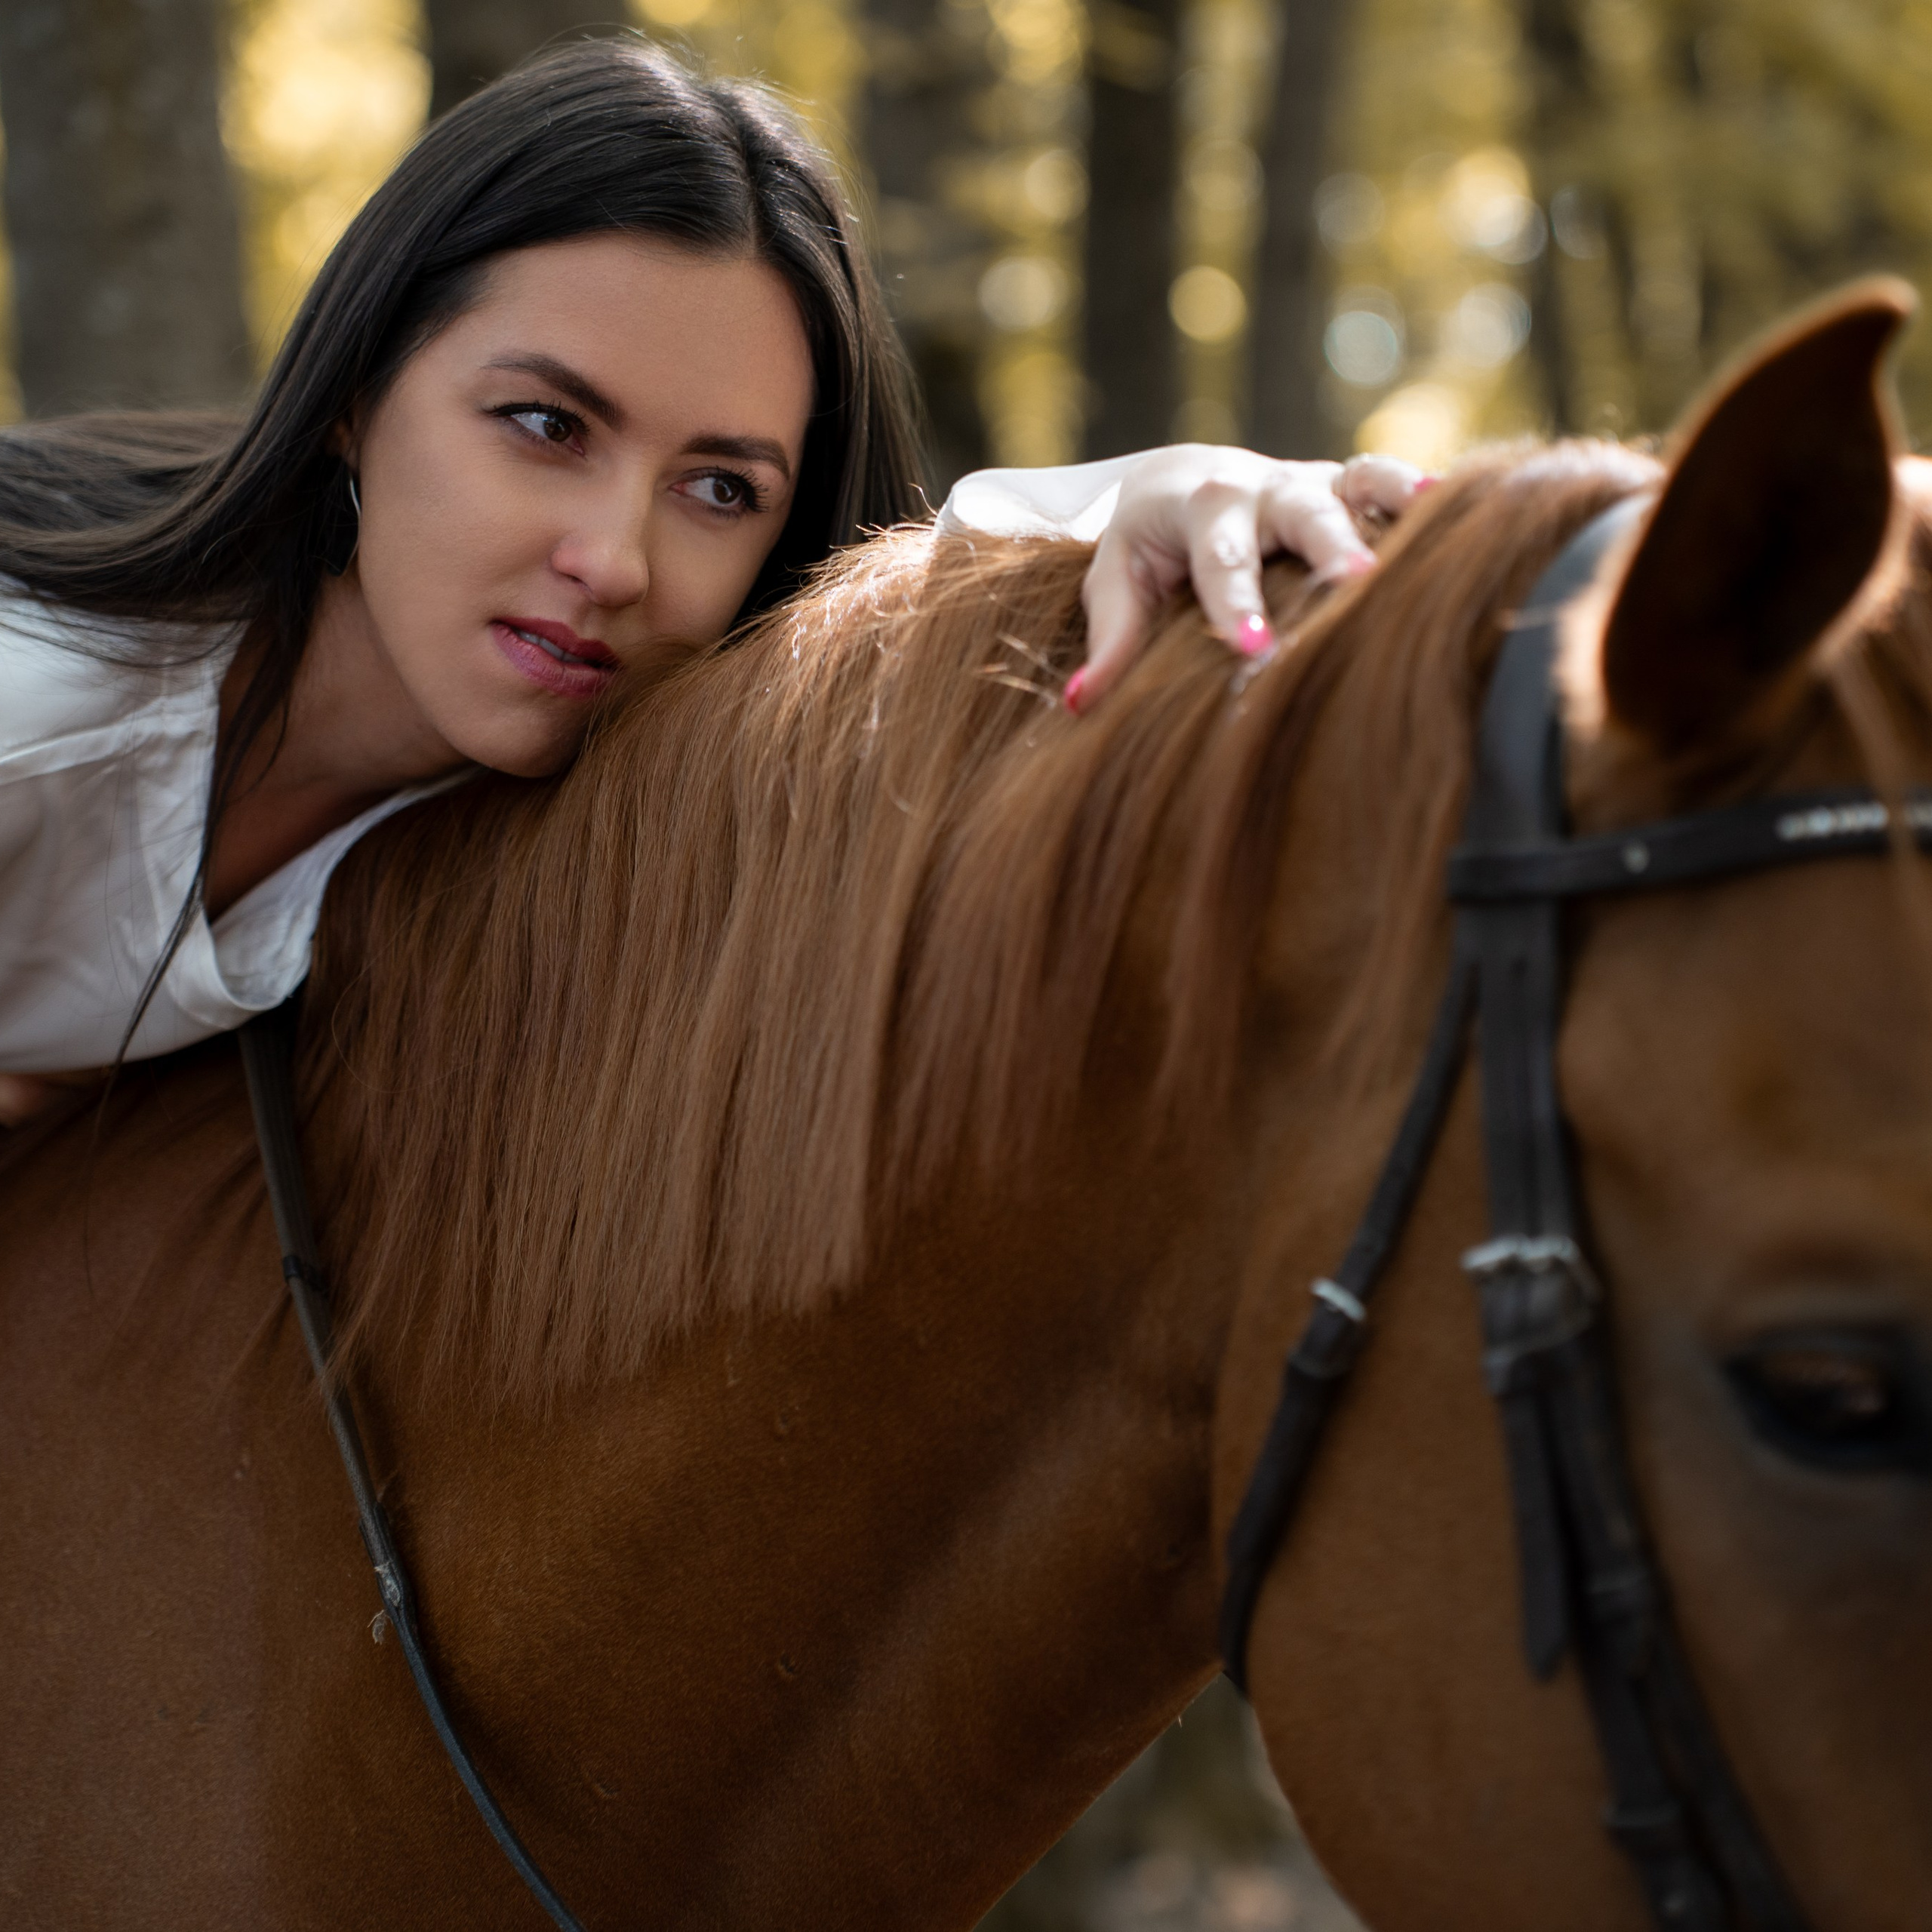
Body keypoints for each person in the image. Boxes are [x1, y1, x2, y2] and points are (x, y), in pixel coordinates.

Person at [0, 38, 1423, 1127]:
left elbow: (889, 599)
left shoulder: (601, 753)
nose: (615, 564)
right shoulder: (34, 719)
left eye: (720, 489)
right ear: (354, 396)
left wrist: (1167, 491)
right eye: (547, 427)